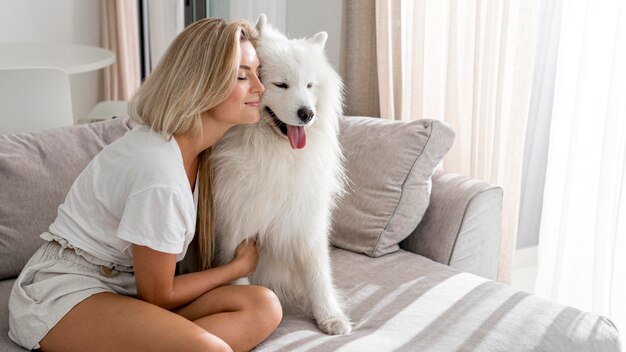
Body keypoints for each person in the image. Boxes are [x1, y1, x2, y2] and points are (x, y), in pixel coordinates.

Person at [8, 17, 282, 352]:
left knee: (263, 305)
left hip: (121, 285)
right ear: (202, 83)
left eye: (257, 72)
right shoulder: (159, 171)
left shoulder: (197, 154)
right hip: (63, 292)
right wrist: (237, 268)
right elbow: (159, 295)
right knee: (210, 349)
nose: (259, 86)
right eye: (243, 75)